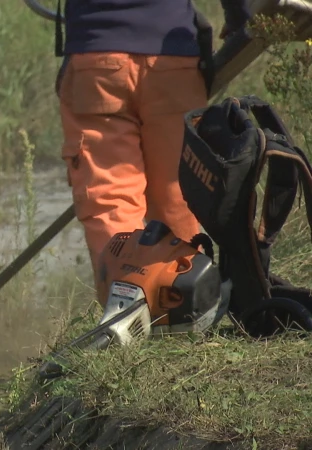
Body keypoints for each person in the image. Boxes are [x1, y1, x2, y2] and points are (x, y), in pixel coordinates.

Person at [54, 0, 251, 299]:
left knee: (111, 199)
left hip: (97, 58)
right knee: (180, 193)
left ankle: (128, 308)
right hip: (174, 62)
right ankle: (186, 302)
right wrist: (240, 15)